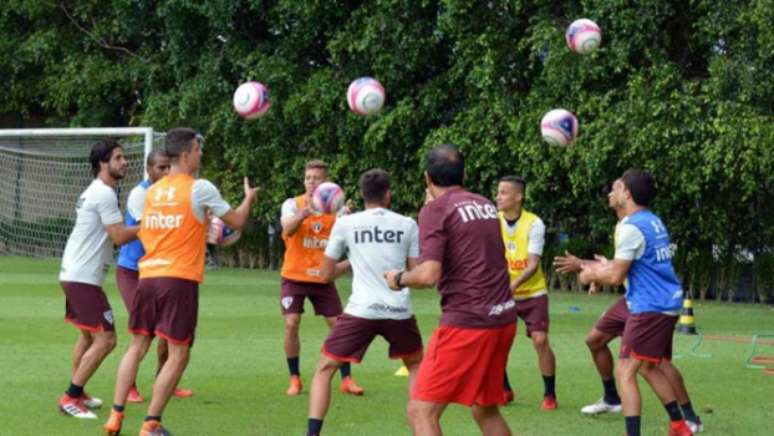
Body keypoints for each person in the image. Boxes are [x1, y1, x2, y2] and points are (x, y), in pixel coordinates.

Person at [103, 128, 258, 436]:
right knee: (179, 353)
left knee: (137, 345)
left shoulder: (152, 192)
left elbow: (152, 232)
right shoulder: (199, 188)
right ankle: (150, 424)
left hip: (147, 276)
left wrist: (199, 231)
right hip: (178, 279)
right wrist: (248, 198)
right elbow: (238, 222)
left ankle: (115, 415)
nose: (201, 155)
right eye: (199, 150)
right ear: (186, 154)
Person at [385, 145, 518, 436]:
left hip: (469, 323)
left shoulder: (436, 209)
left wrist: (399, 278)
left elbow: (429, 274)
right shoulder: (484, 203)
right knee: (485, 408)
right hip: (503, 318)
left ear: (426, 178)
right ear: (464, 174)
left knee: (420, 411)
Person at [569, 169, 693, 436]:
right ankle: (679, 425)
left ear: (627, 193)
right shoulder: (651, 220)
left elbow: (616, 275)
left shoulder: (631, 227)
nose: (611, 193)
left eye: (617, 188)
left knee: (626, 370)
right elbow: (632, 265)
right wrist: (599, 269)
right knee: (648, 366)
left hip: (649, 306)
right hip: (664, 302)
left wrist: (591, 273)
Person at [306, 169, 424, 436]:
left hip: (361, 310)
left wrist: (355, 259)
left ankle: (312, 434)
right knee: (416, 364)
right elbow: (415, 274)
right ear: (389, 195)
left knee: (325, 369)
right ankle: (422, 427)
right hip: (399, 311)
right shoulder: (407, 224)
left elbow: (325, 274)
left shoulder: (346, 224)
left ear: (361, 195)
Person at [58, 139, 139, 419]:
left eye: (123, 157)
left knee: (87, 336)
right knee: (106, 339)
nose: (124, 162)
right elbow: (118, 237)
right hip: (83, 278)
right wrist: (152, 224)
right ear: (103, 163)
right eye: (118, 158)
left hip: (74, 273)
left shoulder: (97, 191)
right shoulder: (103, 193)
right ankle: (70, 397)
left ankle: (79, 392)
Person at [115, 149, 194, 403]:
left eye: (168, 167)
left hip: (158, 272)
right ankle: (130, 387)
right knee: (143, 333)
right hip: (132, 271)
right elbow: (153, 235)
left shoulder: (174, 193)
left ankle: (165, 381)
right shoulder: (141, 194)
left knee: (168, 332)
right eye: (160, 168)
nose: (165, 172)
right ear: (148, 169)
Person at [279, 159, 363, 396]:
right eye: (307, 178)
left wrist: (349, 215)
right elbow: (287, 229)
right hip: (294, 276)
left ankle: (346, 378)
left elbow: (349, 235)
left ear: (326, 182)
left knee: (339, 327)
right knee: (291, 322)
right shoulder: (292, 204)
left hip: (323, 278)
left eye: (316, 178)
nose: (310, 182)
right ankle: (294, 378)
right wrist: (303, 214)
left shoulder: (337, 209)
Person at [495, 176, 557, 409]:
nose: (498, 197)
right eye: (498, 192)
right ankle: (504, 389)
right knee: (496, 342)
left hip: (532, 293)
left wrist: (510, 287)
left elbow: (532, 265)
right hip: (503, 293)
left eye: (504, 192)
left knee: (540, 340)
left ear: (519, 197)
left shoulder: (534, 223)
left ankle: (550, 394)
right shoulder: (493, 220)